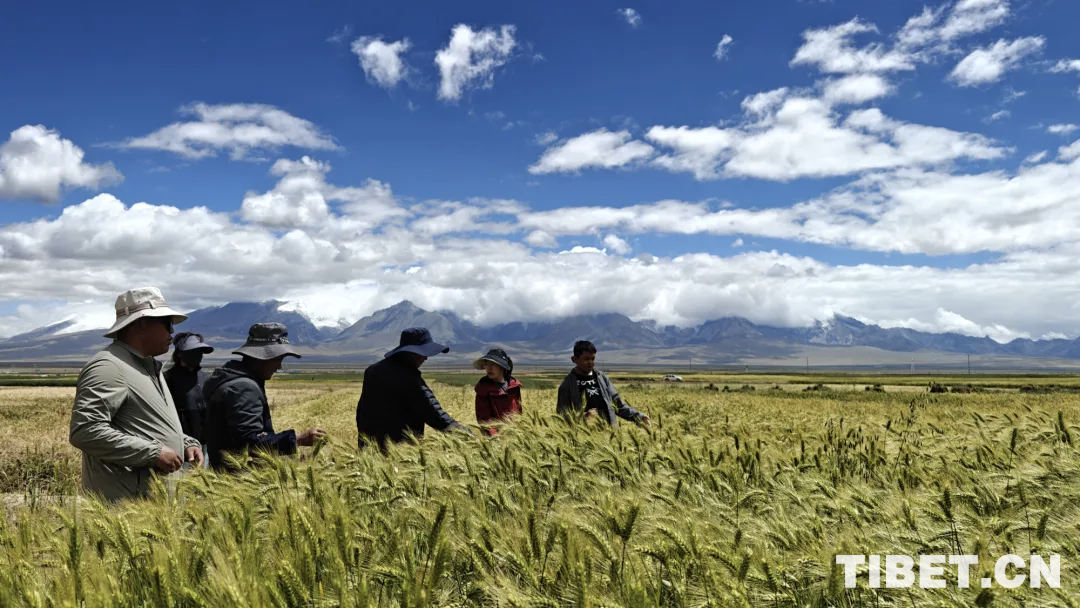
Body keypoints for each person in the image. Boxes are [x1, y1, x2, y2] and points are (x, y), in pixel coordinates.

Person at [69, 287, 203, 502]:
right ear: (141, 323)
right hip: (126, 508)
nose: (172, 332)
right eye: (167, 323)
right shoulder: (109, 367)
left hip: (153, 506)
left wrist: (185, 442)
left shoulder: (148, 367)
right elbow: (85, 431)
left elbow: (146, 424)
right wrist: (153, 453)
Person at [203, 323, 326, 471]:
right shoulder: (243, 387)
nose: (280, 366)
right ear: (261, 357)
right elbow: (248, 443)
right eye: (278, 359)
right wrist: (298, 439)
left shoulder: (232, 379)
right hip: (238, 478)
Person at [355, 327, 473, 453]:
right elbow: (434, 414)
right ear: (410, 352)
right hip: (399, 452)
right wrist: (469, 436)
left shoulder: (372, 371)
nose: (425, 358)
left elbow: (361, 411)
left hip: (369, 450)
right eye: (423, 353)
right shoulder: (408, 378)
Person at [557, 340, 650, 427]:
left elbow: (618, 405)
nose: (590, 362)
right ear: (574, 359)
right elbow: (562, 414)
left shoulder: (602, 378)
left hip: (609, 432)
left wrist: (639, 416)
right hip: (583, 434)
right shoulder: (567, 385)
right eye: (586, 359)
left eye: (593, 358)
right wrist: (584, 417)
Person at [164, 332, 214, 468]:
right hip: (181, 447)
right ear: (180, 354)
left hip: (206, 444)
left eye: (200, 351)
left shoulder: (206, 378)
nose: (198, 355)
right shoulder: (167, 379)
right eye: (193, 351)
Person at [472, 348, 522, 436]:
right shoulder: (483, 390)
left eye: (493, 364)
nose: (489, 368)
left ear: (502, 366)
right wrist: (496, 438)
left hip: (515, 436)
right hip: (495, 439)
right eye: (487, 364)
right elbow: (485, 421)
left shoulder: (514, 387)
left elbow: (519, 413)